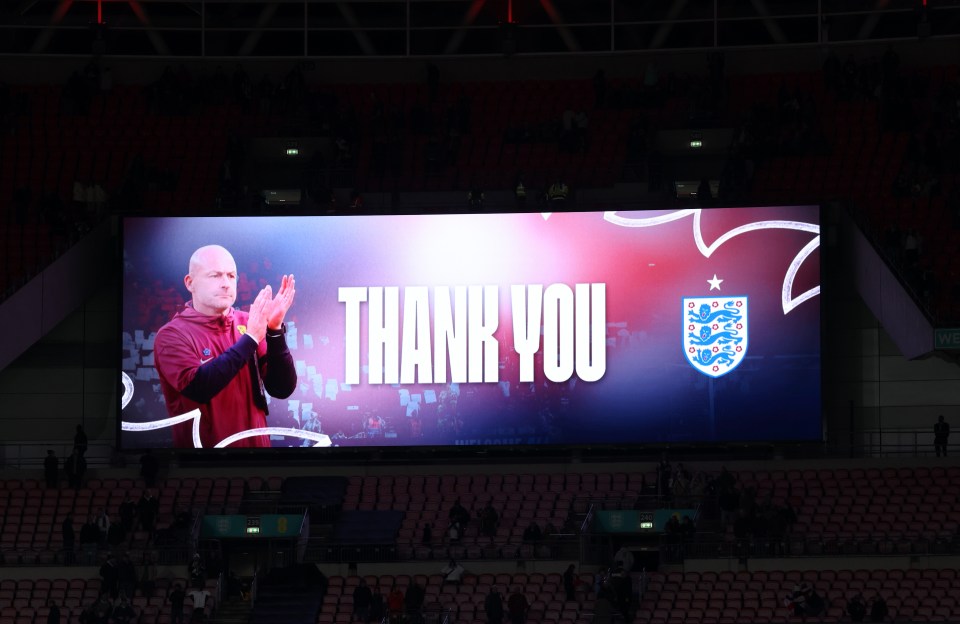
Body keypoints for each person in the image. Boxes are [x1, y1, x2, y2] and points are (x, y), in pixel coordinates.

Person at [153, 245, 298, 448]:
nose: (226, 284)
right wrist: (251, 339)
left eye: (231, 276)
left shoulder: (250, 323)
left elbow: (281, 388)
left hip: (260, 461)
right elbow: (198, 387)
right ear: (190, 282)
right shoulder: (172, 335)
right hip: (204, 469)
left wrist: (274, 331)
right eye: (215, 276)